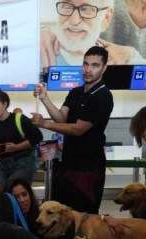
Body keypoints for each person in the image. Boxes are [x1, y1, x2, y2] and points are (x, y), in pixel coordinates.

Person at [32, 45, 114, 214]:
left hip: (88, 168)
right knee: (63, 216)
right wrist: (45, 98)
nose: (88, 70)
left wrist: (44, 124)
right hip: (68, 163)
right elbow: (62, 119)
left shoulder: (103, 96)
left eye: (94, 65)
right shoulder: (75, 92)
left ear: (104, 68)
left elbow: (78, 129)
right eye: (85, 64)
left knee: (83, 218)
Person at [0, 89, 43, 189]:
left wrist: (17, 147)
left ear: (5, 104)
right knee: (3, 195)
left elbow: (37, 137)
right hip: (3, 166)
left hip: (23, 163)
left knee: (13, 190)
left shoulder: (19, 119)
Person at [40, 0, 116, 67]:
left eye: (86, 9)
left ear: (106, 17)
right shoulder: (38, 53)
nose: (74, 21)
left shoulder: (117, 61)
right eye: (67, 7)